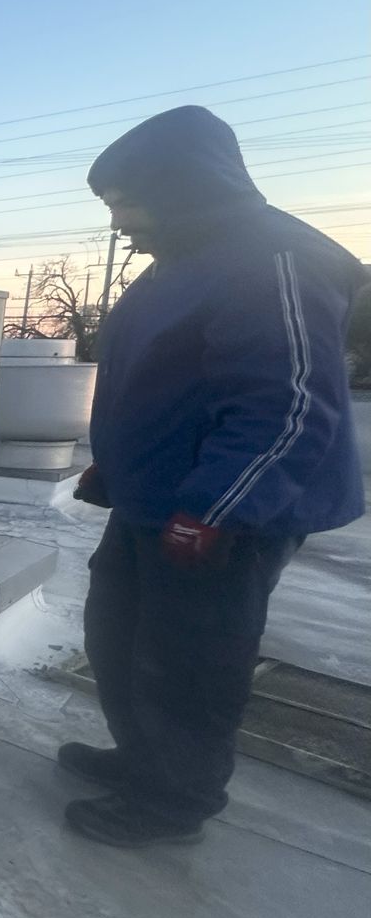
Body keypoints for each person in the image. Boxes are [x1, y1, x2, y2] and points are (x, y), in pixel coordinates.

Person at [64, 104, 366, 847]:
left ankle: (172, 802)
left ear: (179, 186)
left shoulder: (272, 261)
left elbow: (287, 408)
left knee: (189, 659)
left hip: (227, 511)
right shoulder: (184, 259)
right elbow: (165, 381)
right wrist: (123, 463)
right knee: (117, 633)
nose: (118, 221)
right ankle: (145, 762)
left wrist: (213, 507)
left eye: (124, 202)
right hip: (159, 499)